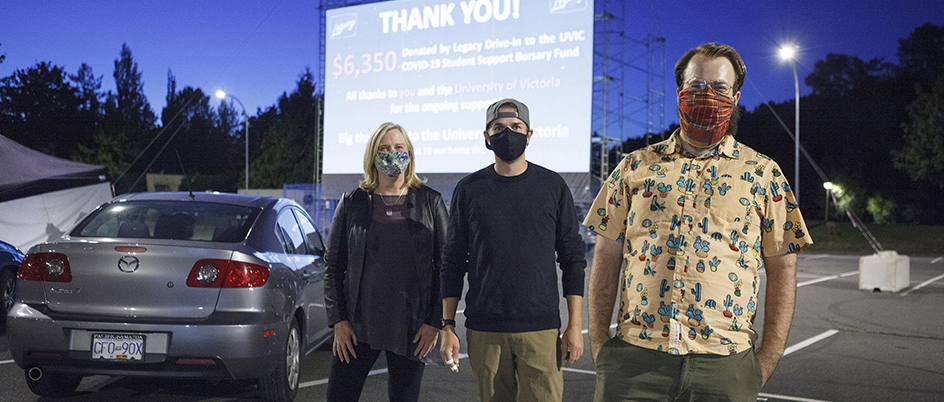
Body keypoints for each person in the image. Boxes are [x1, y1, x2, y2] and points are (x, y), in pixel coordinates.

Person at [583, 42, 814, 401]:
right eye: (696, 87)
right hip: (633, 364)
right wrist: (601, 347)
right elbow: (606, 257)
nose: (707, 96)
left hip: (725, 368)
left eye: (720, 88)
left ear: (736, 96)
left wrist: (766, 360)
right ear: (680, 94)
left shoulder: (763, 174)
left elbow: (783, 267)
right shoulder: (634, 166)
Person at [440, 98, 587, 402]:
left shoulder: (553, 186)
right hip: (485, 329)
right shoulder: (468, 190)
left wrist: (575, 325)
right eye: (499, 127)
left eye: (516, 127)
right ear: (486, 137)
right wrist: (448, 325)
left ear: (529, 134)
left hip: (541, 328)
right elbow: (453, 260)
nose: (508, 133)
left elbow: (572, 258)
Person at [324, 122, 448, 402]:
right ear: (372, 156)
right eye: (384, 149)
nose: (392, 154)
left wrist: (434, 322)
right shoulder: (352, 202)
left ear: (410, 154)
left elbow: (447, 267)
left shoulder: (431, 202)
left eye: (399, 148)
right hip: (356, 329)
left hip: (412, 331)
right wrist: (339, 321)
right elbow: (333, 265)